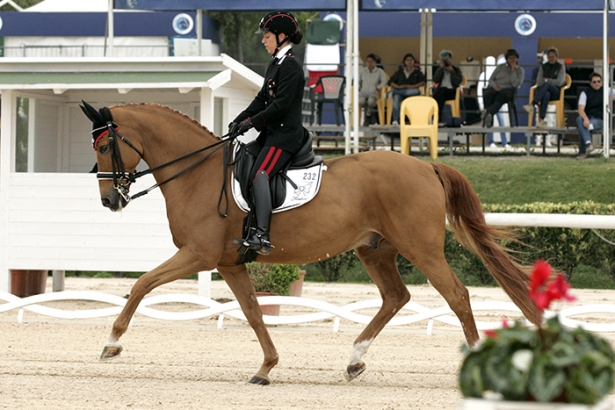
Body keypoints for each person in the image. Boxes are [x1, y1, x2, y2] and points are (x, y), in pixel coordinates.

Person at [229, 11, 306, 255]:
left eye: (267, 36)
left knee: (260, 173)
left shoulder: (291, 66)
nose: (263, 41)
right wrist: (239, 120)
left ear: (282, 36)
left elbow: (280, 106)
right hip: (270, 135)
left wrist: (251, 123)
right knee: (243, 160)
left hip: (285, 137)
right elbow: (262, 99)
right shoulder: (276, 63)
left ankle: (261, 234)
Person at [481, 49, 524, 131]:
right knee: (488, 93)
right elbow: (491, 79)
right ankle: (489, 117)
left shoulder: (520, 71)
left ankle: (488, 112)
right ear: (507, 59)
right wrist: (494, 86)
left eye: (514, 58)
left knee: (501, 97)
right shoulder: (500, 67)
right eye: (510, 58)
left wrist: (513, 71)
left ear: (517, 59)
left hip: (508, 90)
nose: (512, 60)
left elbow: (515, 84)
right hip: (496, 88)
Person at [523, 47, 566, 128]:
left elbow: (559, 82)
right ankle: (542, 120)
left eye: (553, 56)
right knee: (546, 94)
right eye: (549, 56)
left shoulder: (561, 67)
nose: (551, 58)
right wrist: (549, 81)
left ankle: (533, 104)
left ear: (556, 57)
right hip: (545, 91)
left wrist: (547, 80)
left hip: (556, 92)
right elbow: (539, 81)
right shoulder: (543, 67)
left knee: (547, 84)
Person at [575, 72, 610, 160]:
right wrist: (586, 119)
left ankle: (583, 151)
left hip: (600, 120)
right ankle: (588, 143)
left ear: (602, 82)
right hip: (588, 117)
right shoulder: (585, 93)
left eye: (598, 81)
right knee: (580, 120)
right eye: (594, 82)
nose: (597, 83)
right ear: (590, 83)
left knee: (582, 126)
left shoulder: (607, 90)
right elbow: (580, 109)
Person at [388, 53, 426, 125]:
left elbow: (423, 82)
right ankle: (395, 120)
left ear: (414, 62)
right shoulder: (400, 72)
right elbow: (391, 81)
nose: (409, 62)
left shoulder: (417, 72)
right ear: (404, 62)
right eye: (407, 60)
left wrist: (412, 86)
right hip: (400, 90)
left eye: (411, 60)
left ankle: (394, 91)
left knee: (417, 90)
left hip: (412, 92)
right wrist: (398, 87)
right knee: (396, 98)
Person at [432, 49, 463, 126]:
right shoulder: (440, 70)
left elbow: (458, 81)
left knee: (438, 94)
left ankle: (436, 119)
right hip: (442, 92)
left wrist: (452, 71)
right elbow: (435, 80)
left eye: (448, 59)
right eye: (445, 60)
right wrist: (441, 68)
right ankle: (438, 120)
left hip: (451, 91)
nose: (447, 61)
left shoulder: (456, 69)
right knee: (440, 97)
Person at [358, 53, 387, 126]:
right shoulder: (362, 71)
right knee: (361, 101)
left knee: (371, 102)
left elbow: (384, 81)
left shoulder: (379, 71)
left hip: (373, 92)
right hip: (363, 92)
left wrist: (378, 87)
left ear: (375, 62)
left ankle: (367, 116)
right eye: (368, 61)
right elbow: (357, 80)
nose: (369, 63)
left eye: (371, 61)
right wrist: (359, 86)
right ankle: (371, 114)